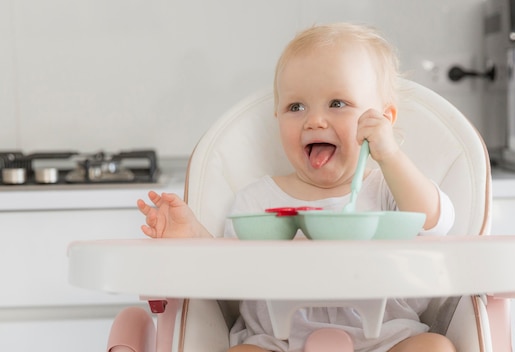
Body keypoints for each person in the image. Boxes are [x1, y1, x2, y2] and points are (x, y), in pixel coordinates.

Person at [138, 23, 456, 352]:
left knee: (434, 346)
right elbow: (231, 276)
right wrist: (194, 238)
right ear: (277, 116)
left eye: (337, 103)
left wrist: (391, 155)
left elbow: (435, 224)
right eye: (296, 107)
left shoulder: (391, 189)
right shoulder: (257, 200)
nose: (314, 120)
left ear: (384, 121)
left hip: (387, 340)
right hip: (278, 342)